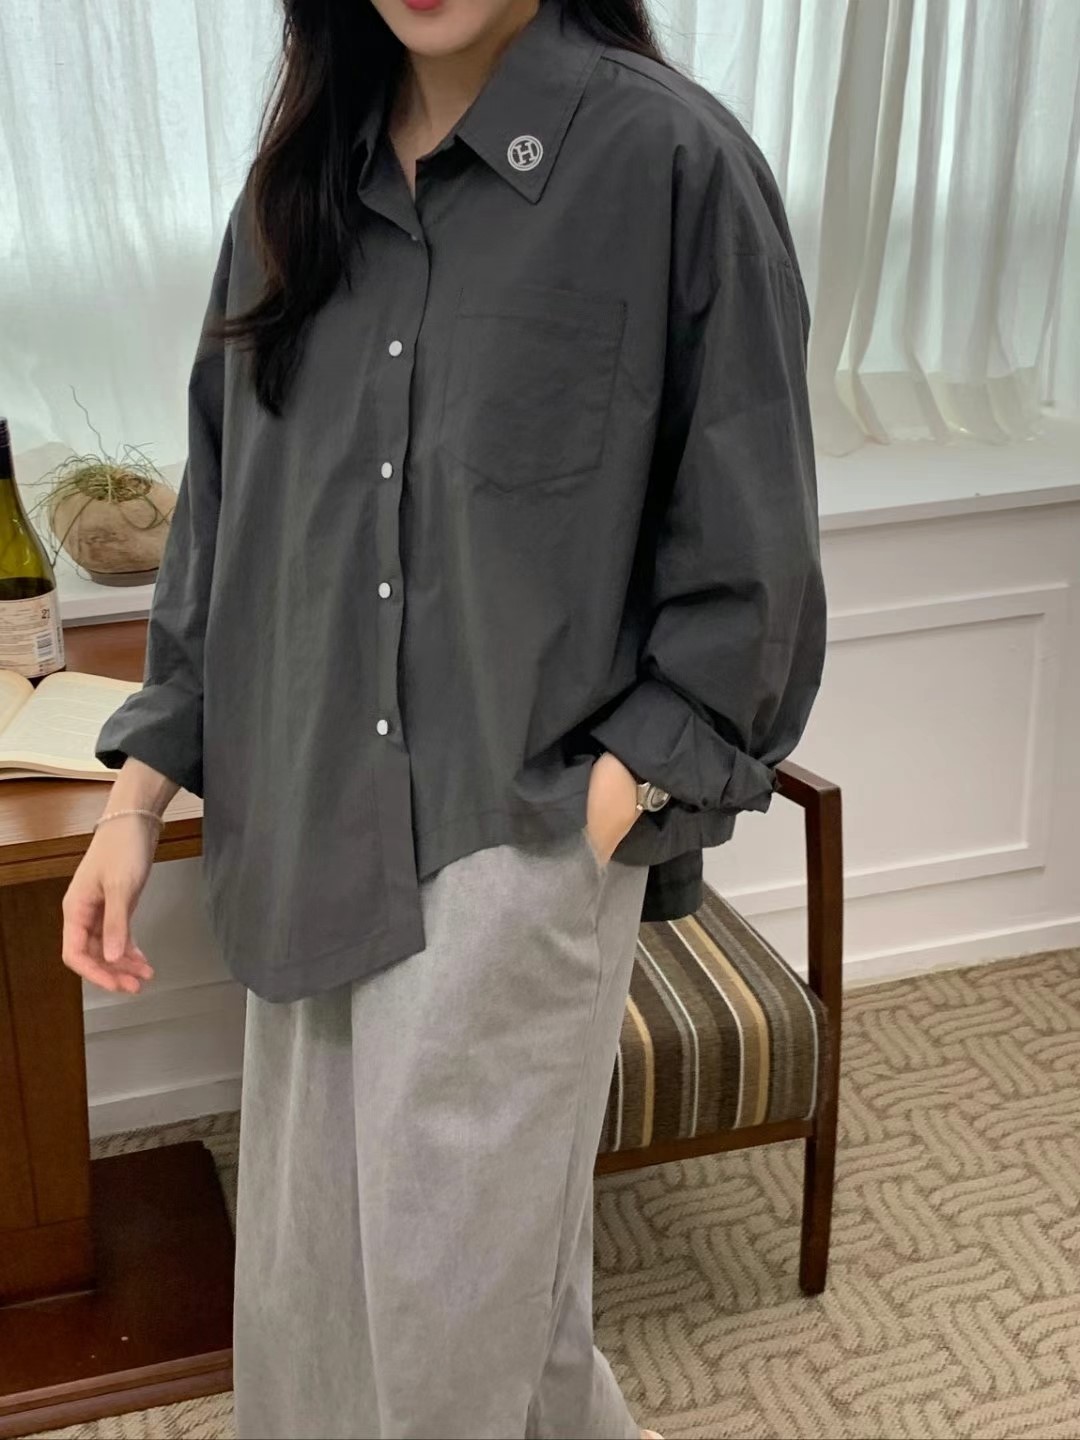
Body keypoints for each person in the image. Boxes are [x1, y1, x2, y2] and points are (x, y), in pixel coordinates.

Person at [62, 0, 826, 1435]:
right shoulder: (300, 182)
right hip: (299, 815)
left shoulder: (671, 166)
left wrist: (610, 805)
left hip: (507, 840)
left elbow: (751, 557)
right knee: (315, 1303)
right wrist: (136, 799)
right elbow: (225, 518)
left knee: (451, 1328)